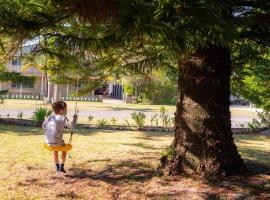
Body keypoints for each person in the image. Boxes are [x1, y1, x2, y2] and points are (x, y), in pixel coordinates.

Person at [42, 100, 78, 173]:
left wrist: (45, 120)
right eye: (65, 109)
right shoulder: (63, 118)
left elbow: (43, 126)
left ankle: (57, 167)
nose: (66, 110)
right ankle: (61, 167)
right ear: (61, 110)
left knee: (55, 151)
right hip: (58, 142)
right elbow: (71, 126)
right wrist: (75, 118)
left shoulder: (50, 117)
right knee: (64, 149)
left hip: (48, 142)